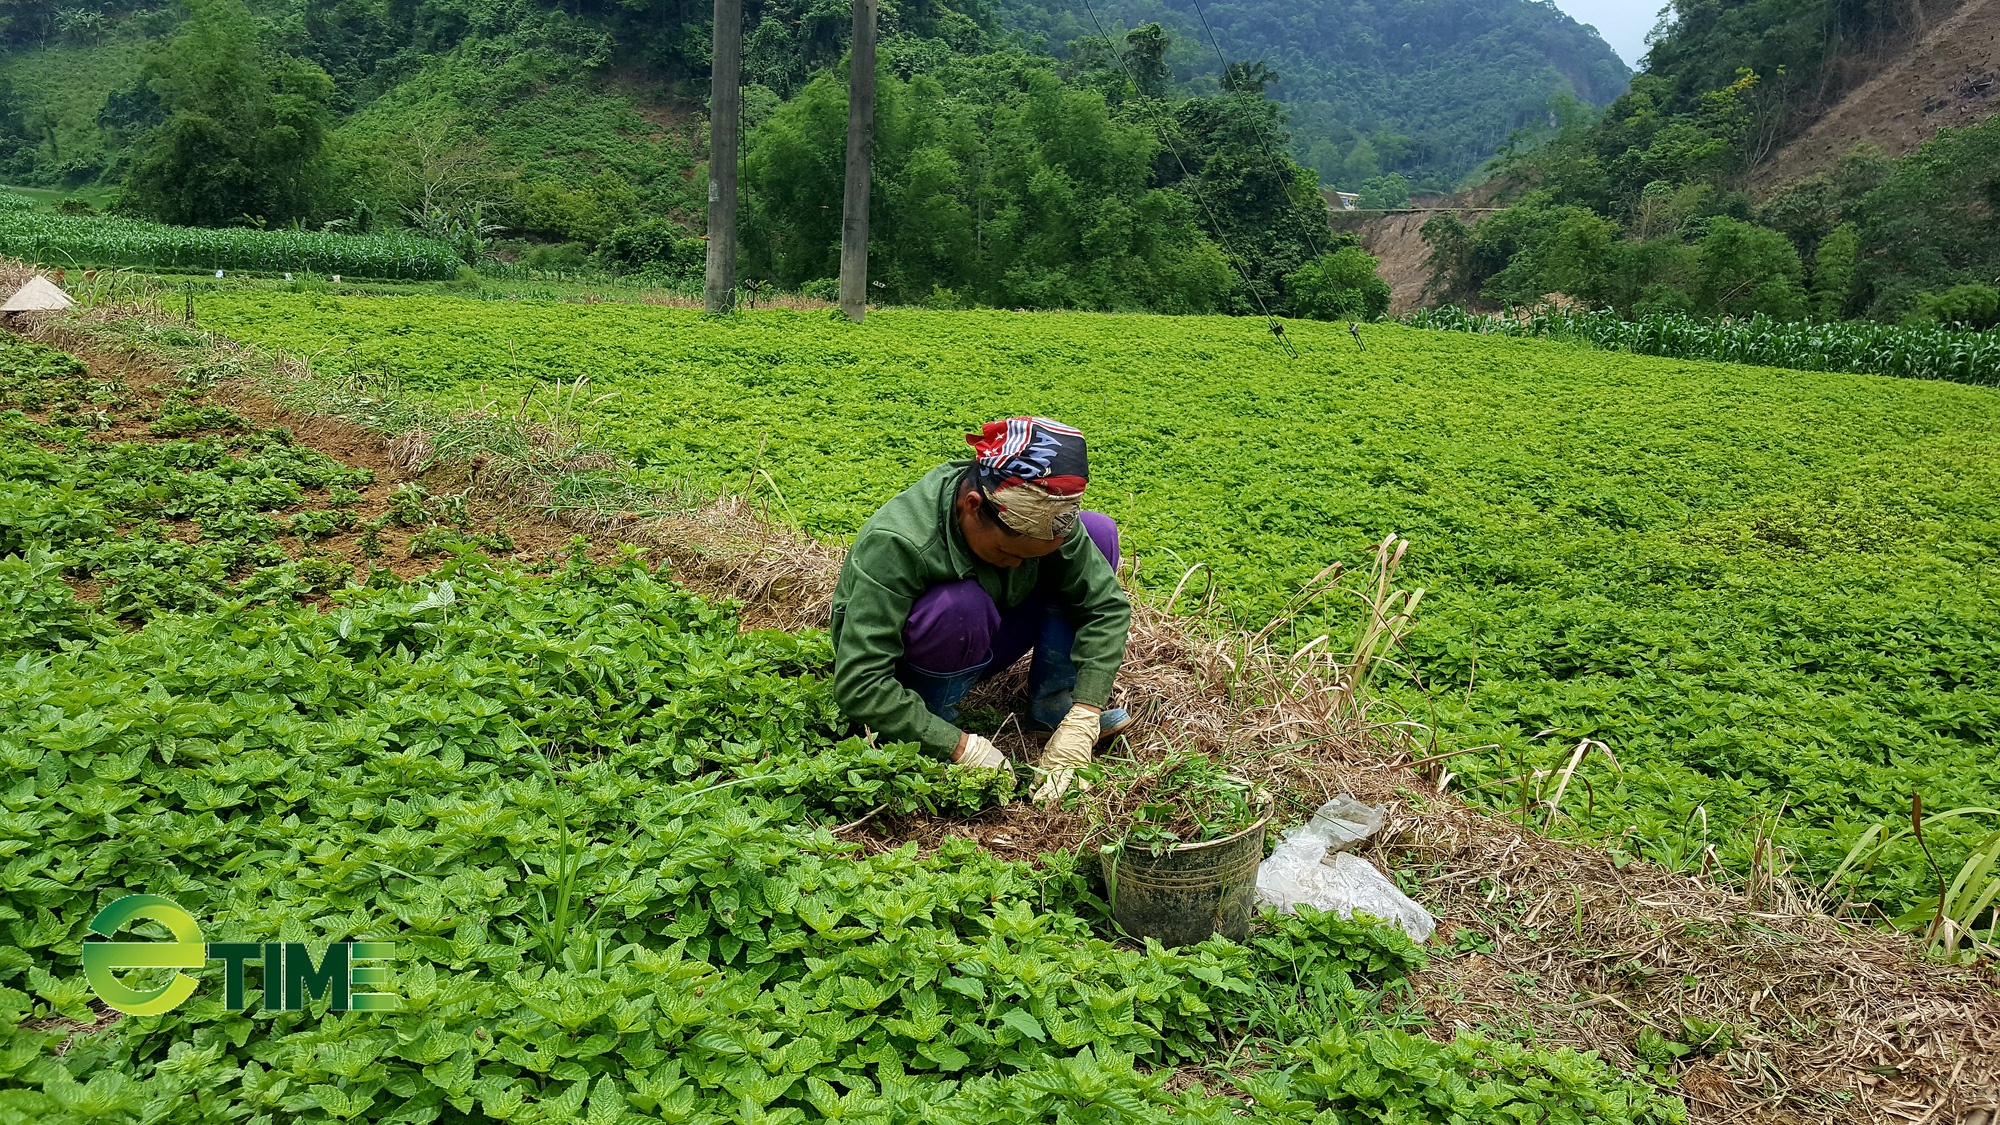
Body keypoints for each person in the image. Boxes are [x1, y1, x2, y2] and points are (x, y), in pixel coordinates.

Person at [830, 416, 1133, 803]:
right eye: (1008, 553)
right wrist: (959, 747)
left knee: (1101, 532)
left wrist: (1086, 713)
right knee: (960, 606)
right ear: (972, 506)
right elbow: (860, 682)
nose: (1017, 566)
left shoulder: (1046, 515)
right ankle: (935, 721)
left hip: (990, 631)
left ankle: (1053, 712)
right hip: (931, 645)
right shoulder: (897, 542)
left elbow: (1105, 607)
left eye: (1032, 559)